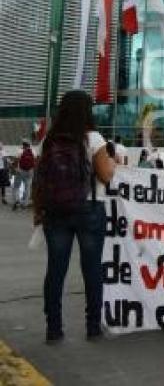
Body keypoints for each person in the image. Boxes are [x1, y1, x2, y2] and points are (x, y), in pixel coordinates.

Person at [32, 90, 116, 342]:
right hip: (89, 210)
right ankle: (92, 326)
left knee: (56, 270)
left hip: (55, 211)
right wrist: (113, 162)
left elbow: (39, 179)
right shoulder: (94, 138)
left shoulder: (50, 139)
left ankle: (54, 328)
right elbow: (106, 176)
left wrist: (38, 211)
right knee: (91, 269)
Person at [12, 140, 36, 210]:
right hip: (30, 171)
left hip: (20, 171)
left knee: (16, 186)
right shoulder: (33, 151)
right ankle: (25, 204)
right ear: (29, 145)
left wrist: (14, 167)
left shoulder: (20, 151)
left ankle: (17, 200)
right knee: (27, 187)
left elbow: (16, 160)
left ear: (23, 145)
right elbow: (35, 161)